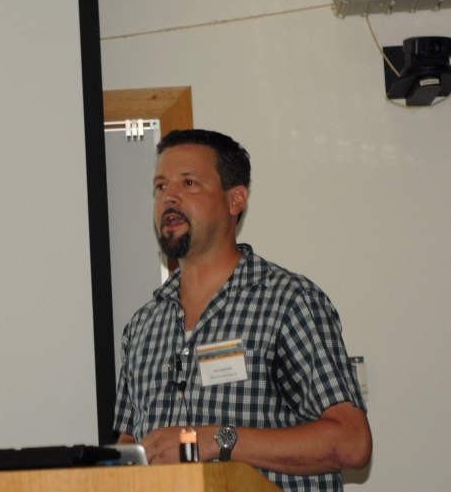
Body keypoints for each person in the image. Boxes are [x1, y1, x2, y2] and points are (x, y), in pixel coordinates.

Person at [113, 129, 371, 491]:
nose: (168, 197)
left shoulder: (288, 302)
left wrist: (218, 440)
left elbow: (352, 442)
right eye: (160, 186)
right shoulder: (142, 326)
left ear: (235, 199)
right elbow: (128, 445)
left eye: (189, 182)